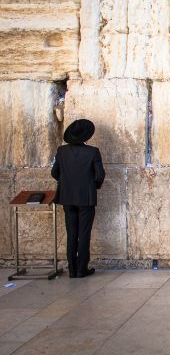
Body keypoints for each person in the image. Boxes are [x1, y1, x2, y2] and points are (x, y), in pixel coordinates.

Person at [51, 119, 105, 278]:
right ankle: (82, 269)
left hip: (67, 197)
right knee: (84, 233)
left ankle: (72, 270)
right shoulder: (93, 152)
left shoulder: (61, 151)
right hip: (86, 199)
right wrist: (93, 185)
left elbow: (54, 173)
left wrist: (67, 183)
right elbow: (100, 175)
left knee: (71, 233)